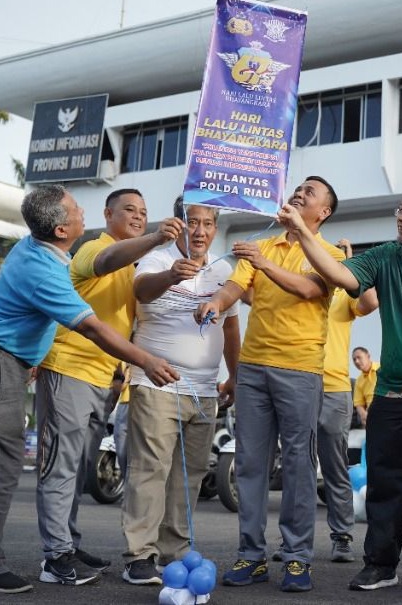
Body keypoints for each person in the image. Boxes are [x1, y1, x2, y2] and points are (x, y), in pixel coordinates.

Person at [0, 185, 178, 595]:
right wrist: (146, 360)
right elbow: (93, 327)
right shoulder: (51, 269)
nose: (83, 212)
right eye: (77, 209)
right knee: (2, 461)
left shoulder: (39, 248)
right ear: (64, 229)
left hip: (4, 359)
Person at [276, 185, 402, 598]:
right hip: (391, 392)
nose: (400, 216)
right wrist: (301, 230)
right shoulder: (387, 256)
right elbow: (339, 274)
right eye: (400, 209)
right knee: (387, 481)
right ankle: (380, 565)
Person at [196, 177, 344, 594]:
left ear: (324, 212)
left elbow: (309, 289)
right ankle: (251, 555)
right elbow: (235, 286)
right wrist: (216, 303)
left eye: (310, 193)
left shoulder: (329, 255)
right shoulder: (264, 246)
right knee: (249, 464)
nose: (299, 193)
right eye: (297, 188)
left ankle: (297, 559)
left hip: (299, 369)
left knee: (298, 465)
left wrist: (264, 265)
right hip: (254, 369)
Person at [35, 188, 184, 585]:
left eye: (144, 212)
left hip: (104, 380)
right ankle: (54, 559)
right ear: (108, 214)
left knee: (79, 468)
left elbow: (127, 322)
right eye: (129, 210)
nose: (138, 216)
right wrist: (155, 237)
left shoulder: (135, 266)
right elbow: (103, 264)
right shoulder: (93, 248)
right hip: (68, 369)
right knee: (60, 468)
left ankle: (67, 543)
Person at [120, 197, 240, 585]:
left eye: (208, 223)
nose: (200, 231)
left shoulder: (225, 269)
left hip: (205, 390)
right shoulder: (156, 259)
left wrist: (234, 376)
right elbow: (141, 291)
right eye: (193, 222)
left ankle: (175, 551)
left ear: (215, 228)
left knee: (190, 476)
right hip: (156, 383)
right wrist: (172, 275)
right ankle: (139, 555)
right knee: (150, 469)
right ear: (178, 224)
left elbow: (231, 327)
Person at [318, 239, 378, 563]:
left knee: (334, 466)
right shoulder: (301, 287)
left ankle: (342, 535)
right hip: (298, 384)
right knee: (297, 468)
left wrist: (352, 265)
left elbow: (370, 302)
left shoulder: (344, 294)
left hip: (334, 388)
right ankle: (292, 542)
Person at [352, 346, 379, 427]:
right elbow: (358, 403)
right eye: (354, 359)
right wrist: (364, 415)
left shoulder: (382, 369)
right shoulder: (359, 381)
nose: (356, 361)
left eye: (359, 357)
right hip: (371, 416)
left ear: (368, 356)